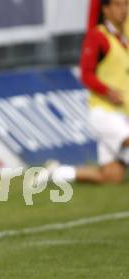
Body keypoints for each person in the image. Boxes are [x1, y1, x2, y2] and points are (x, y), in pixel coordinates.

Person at [38, 0, 129, 185]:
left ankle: (58, 173)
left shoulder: (124, 34)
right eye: (118, 5)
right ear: (106, 9)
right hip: (105, 113)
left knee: (112, 176)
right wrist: (107, 91)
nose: (124, 10)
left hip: (123, 113)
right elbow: (86, 74)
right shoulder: (98, 36)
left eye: (126, 5)